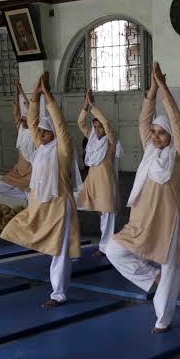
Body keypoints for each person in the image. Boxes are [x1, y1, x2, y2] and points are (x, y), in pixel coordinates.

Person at [106, 61, 180, 333]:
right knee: (113, 249)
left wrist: (164, 88)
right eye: (154, 132)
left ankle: (163, 319)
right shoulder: (149, 151)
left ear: (171, 136)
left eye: (161, 133)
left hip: (169, 219)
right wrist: (151, 90)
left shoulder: (179, 155)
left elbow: (177, 122)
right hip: (142, 218)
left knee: (170, 271)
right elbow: (144, 119)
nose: (155, 136)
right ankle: (150, 276)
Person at [0, 72, 82, 307]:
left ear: (54, 134)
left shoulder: (63, 150)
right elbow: (32, 123)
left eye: (47, 132)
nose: (42, 135)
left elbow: (61, 126)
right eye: (41, 133)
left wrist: (48, 97)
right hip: (40, 204)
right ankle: (57, 289)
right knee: (18, 226)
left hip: (59, 206)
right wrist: (34, 98)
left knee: (59, 251)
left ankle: (58, 293)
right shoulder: (41, 148)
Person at [76, 89, 120, 253]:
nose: (98, 130)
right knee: (75, 201)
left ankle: (105, 246)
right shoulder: (92, 138)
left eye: (100, 127)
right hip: (92, 180)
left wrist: (94, 106)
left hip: (106, 182)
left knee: (107, 214)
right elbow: (81, 123)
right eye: (95, 127)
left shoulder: (111, 140)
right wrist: (85, 107)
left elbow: (107, 124)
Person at [0, 80, 34, 203]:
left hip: (33, 171)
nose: (22, 120)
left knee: (34, 203)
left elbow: (29, 107)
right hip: (19, 170)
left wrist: (22, 91)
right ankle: (25, 196)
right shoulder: (20, 129)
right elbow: (16, 111)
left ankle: (30, 199)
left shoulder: (36, 132)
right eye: (21, 118)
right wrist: (16, 91)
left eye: (25, 118)